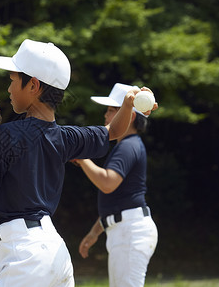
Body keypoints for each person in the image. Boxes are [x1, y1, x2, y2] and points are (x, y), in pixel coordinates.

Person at [0, 39, 156, 287]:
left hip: (25, 256)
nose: (9, 88)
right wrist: (127, 104)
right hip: (55, 252)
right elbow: (113, 131)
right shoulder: (65, 136)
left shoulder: (8, 135)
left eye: (13, 79)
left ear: (33, 85)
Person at [75, 83, 158, 287]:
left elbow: (107, 183)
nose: (106, 115)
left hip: (130, 231)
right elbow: (118, 200)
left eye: (112, 110)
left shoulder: (128, 146)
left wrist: (82, 157)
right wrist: (95, 232)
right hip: (125, 229)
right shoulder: (128, 145)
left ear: (130, 115)